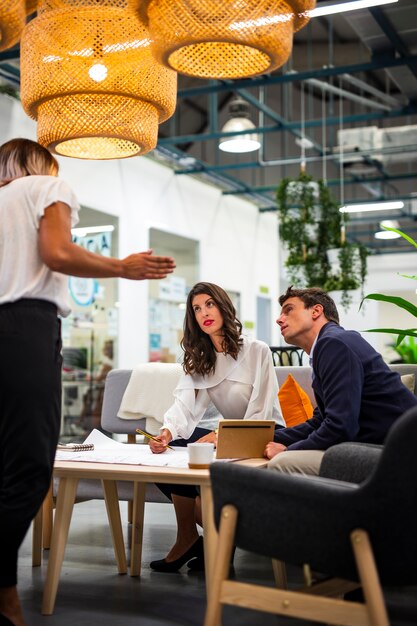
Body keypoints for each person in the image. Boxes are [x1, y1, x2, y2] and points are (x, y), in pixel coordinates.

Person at [0, 138, 176, 626]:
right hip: (25, 329)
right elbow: (56, 252)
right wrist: (122, 267)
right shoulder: (47, 185)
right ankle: (3, 589)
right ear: (43, 165)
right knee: (30, 471)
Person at [149, 281, 284, 572]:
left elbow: (261, 412)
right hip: (232, 439)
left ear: (223, 306)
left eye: (209, 304)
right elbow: (184, 406)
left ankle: (214, 538)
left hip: (266, 437)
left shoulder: (257, 351)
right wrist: (166, 432)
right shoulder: (202, 358)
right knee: (173, 451)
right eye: (197, 308)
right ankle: (190, 537)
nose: (204, 312)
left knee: (196, 448)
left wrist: (221, 434)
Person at [265, 286, 417, 476]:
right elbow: (320, 422)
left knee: (282, 463)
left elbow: (340, 427)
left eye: (289, 310)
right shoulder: (331, 343)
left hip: (399, 454)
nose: (279, 319)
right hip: (384, 447)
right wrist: (260, 439)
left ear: (316, 311)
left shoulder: (334, 344)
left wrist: (288, 450)